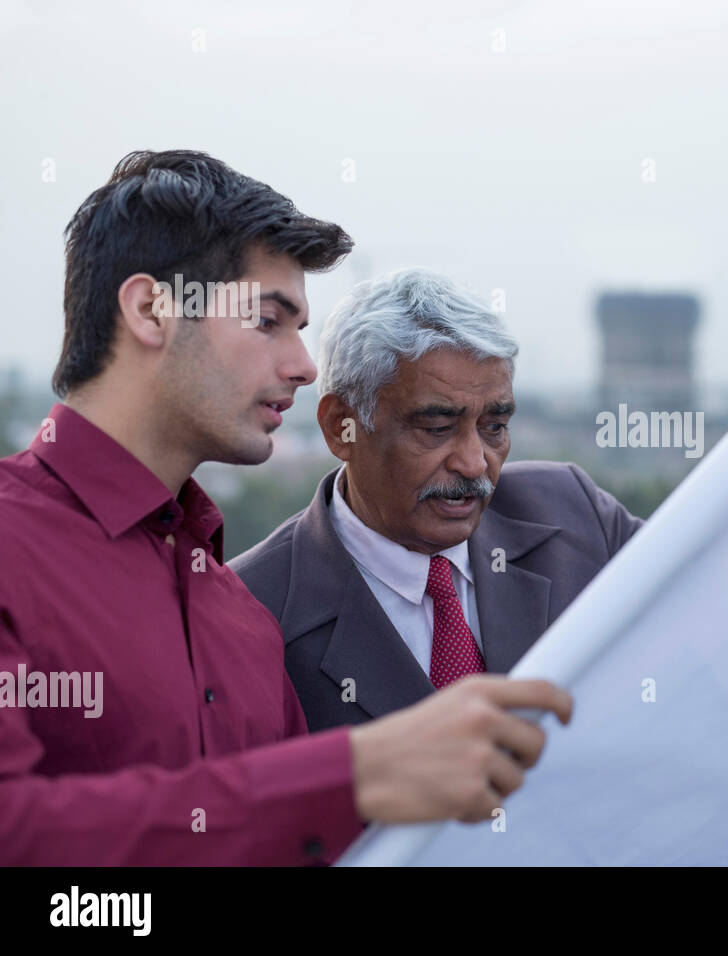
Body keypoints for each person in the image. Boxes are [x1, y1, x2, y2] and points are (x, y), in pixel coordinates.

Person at [0, 150, 571, 866]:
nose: (303, 366)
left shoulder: (240, 617)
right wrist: (352, 776)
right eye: (269, 321)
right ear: (151, 311)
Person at [231, 268, 643, 730]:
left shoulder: (576, 515)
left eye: (494, 427)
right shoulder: (248, 612)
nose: (474, 463)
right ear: (340, 427)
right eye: (437, 428)